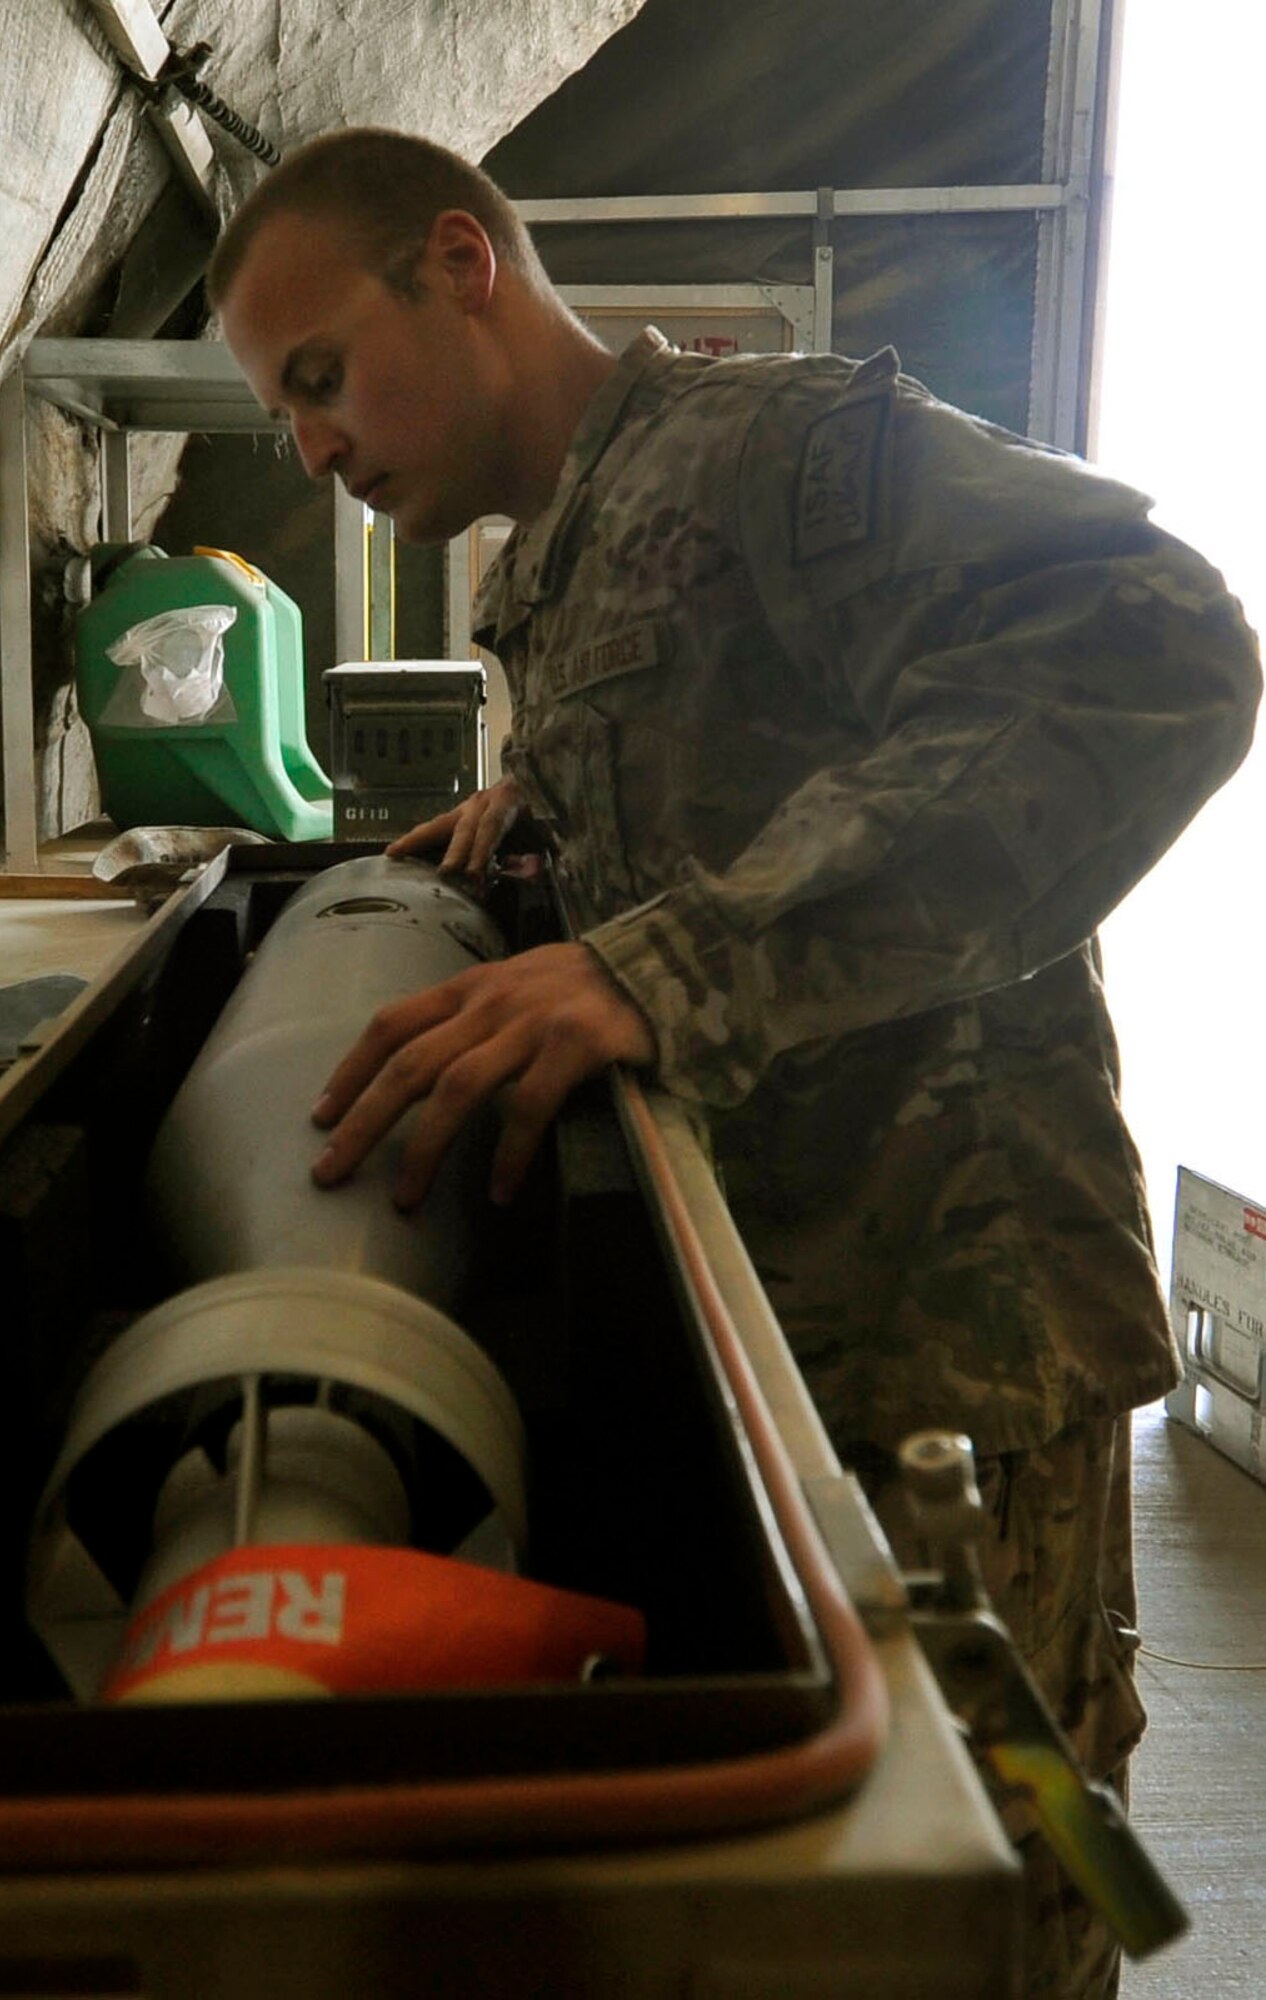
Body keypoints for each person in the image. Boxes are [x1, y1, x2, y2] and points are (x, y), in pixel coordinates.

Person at [209, 127, 1262, 1997]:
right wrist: (543, 817)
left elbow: (1155, 646)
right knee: (843, 1863)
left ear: (462, 264)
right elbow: (763, 741)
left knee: (994, 1860)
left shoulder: (781, 447)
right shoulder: (559, 558)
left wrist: (669, 957)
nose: (311, 448)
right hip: (777, 1338)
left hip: (956, 1339)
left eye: (317, 378)